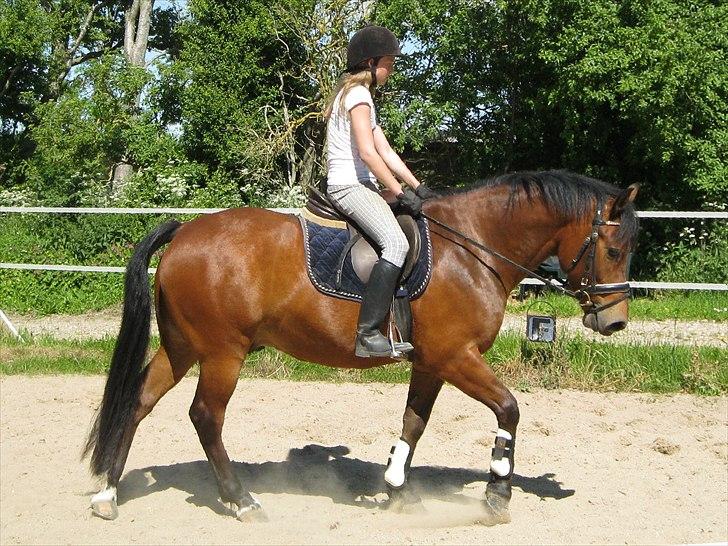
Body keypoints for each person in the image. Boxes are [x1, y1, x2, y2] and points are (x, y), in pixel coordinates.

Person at [324, 25, 437, 358]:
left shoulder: (361, 96)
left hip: (364, 185)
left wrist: (418, 186)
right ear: (371, 62)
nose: (392, 68)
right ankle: (368, 332)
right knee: (396, 242)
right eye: (389, 61)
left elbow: (386, 151)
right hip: (348, 186)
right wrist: (398, 192)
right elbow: (368, 153)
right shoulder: (358, 96)